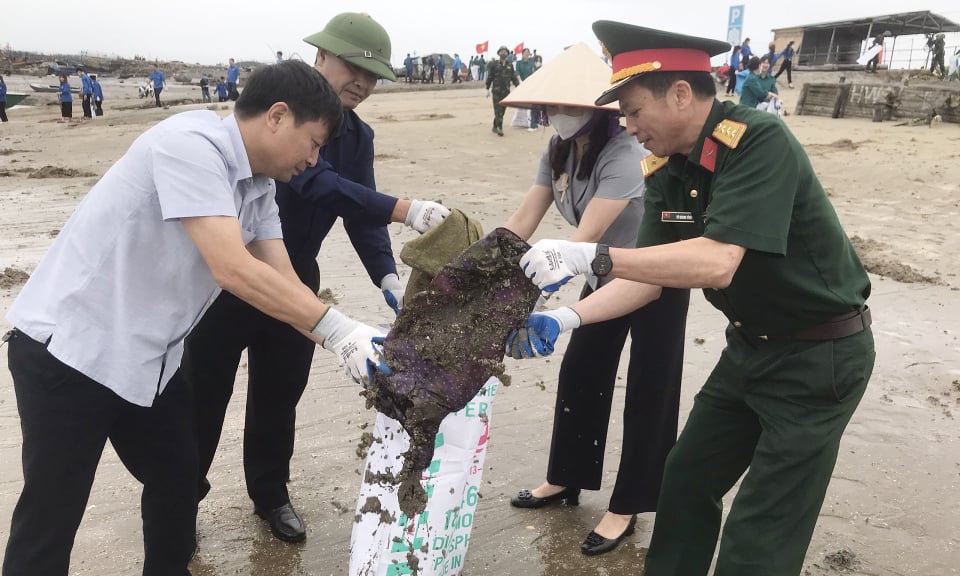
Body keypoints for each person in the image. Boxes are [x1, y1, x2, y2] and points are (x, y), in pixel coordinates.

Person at [511, 21, 875, 576]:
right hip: (749, 348)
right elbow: (648, 280)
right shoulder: (666, 168)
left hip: (818, 358)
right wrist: (566, 317)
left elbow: (717, 261)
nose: (628, 127)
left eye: (633, 111)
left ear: (681, 93)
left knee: (761, 526)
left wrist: (595, 256)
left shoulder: (758, 141)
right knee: (685, 477)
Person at [2, 60, 390, 576]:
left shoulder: (259, 188)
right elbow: (232, 268)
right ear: (277, 116)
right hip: (72, 352)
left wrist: (353, 341)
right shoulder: (189, 143)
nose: (314, 159)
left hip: (149, 360)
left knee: (178, 480)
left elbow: (283, 277)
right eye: (314, 143)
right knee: (52, 516)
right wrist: (338, 330)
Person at [180, 12, 449, 545]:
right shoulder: (276, 119)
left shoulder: (357, 136)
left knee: (280, 396)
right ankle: (182, 498)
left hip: (296, 273)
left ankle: (271, 495)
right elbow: (318, 186)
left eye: (373, 77)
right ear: (321, 55)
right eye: (354, 67)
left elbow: (359, 213)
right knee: (203, 395)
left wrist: (388, 276)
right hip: (228, 277)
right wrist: (405, 207)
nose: (362, 84)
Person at [499, 42, 689, 556]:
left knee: (651, 388)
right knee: (582, 369)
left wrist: (543, 296)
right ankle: (566, 477)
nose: (560, 115)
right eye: (553, 107)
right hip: (602, 274)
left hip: (652, 273)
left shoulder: (625, 153)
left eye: (573, 107)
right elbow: (523, 222)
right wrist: (486, 264)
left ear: (598, 109)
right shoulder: (557, 151)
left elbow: (583, 239)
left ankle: (627, 505)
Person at [485, 45, 519, 136]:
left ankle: (495, 126)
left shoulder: (510, 65)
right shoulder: (494, 64)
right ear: (499, 53)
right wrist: (487, 88)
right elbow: (490, 77)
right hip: (496, 92)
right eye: (502, 51)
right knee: (498, 111)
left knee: (502, 112)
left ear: (507, 53)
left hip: (506, 93)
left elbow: (513, 77)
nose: (503, 53)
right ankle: (500, 128)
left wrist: (518, 86)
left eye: (505, 51)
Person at [512, 48, 537, 131]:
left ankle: (533, 124)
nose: (526, 54)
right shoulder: (519, 63)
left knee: (532, 104)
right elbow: (517, 72)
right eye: (525, 52)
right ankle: (523, 122)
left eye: (528, 53)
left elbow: (534, 73)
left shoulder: (531, 63)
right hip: (522, 85)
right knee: (522, 105)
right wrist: (520, 80)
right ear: (522, 54)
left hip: (531, 85)